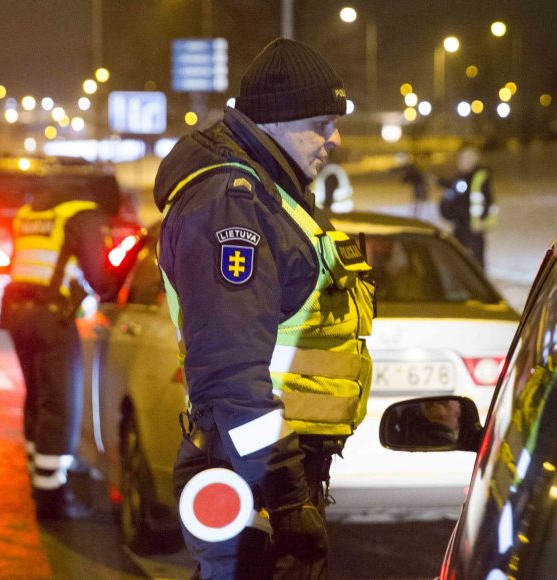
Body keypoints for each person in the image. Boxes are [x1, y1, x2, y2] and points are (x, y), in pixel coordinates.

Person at [154, 38, 376, 578]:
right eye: (322, 123)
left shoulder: (273, 194)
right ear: (278, 120)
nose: (335, 138)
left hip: (267, 475)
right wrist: (286, 495)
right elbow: (231, 373)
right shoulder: (232, 204)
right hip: (251, 481)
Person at [0, 177, 125, 520]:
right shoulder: (83, 214)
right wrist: (114, 290)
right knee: (60, 405)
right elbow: (98, 276)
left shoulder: (34, 209)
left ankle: (37, 478)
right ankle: (52, 497)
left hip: (16, 313)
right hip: (51, 318)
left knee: (37, 398)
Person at [438, 146, 498, 268]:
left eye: (463, 160)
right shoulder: (463, 176)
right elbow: (455, 187)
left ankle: (478, 282)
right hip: (461, 222)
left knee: (476, 258)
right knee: (457, 254)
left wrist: (482, 220)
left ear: (472, 162)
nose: (460, 163)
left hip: (474, 225)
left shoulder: (479, 178)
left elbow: (488, 201)